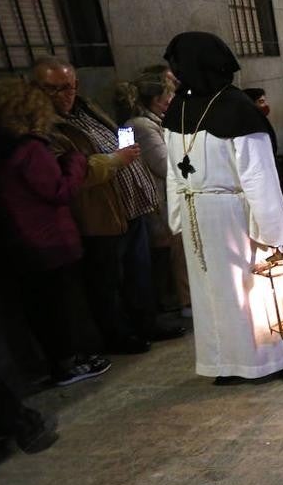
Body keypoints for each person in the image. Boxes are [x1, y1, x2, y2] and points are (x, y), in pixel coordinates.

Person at [162, 32, 283, 384]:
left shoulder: (237, 108)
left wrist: (271, 232)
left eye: (177, 66)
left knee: (255, 288)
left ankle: (277, 358)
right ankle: (227, 362)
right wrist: (178, 216)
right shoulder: (178, 108)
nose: (174, 74)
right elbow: (172, 170)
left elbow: (258, 174)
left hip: (237, 215)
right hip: (199, 215)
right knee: (214, 293)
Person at [33, 57, 184, 352]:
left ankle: (147, 323)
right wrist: (116, 159)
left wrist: (123, 147)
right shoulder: (44, 125)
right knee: (108, 280)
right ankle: (119, 335)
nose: (66, 94)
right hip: (100, 213)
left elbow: (115, 134)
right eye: (55, 89)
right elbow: (69, 172)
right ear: (36, 88)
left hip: (131, 204)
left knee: (139, 272)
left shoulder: (86, 108)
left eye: (71, 86)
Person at [0, 77, 112, 386]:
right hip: (47, 241)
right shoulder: (30, 149)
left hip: (18, 242)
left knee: (41, 306)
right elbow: (58, 190)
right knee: (58, 307)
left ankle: (63, 360)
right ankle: (68, 364)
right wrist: (76, 162)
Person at [116, 68, 191, 319]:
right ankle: (182, 302)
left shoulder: (139, 123)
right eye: (167, 94)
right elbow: (165, 165)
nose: (171, 100)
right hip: (158, 202)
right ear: (156, 98)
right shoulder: (140, 126)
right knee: (174, 255)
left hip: (159, 201)